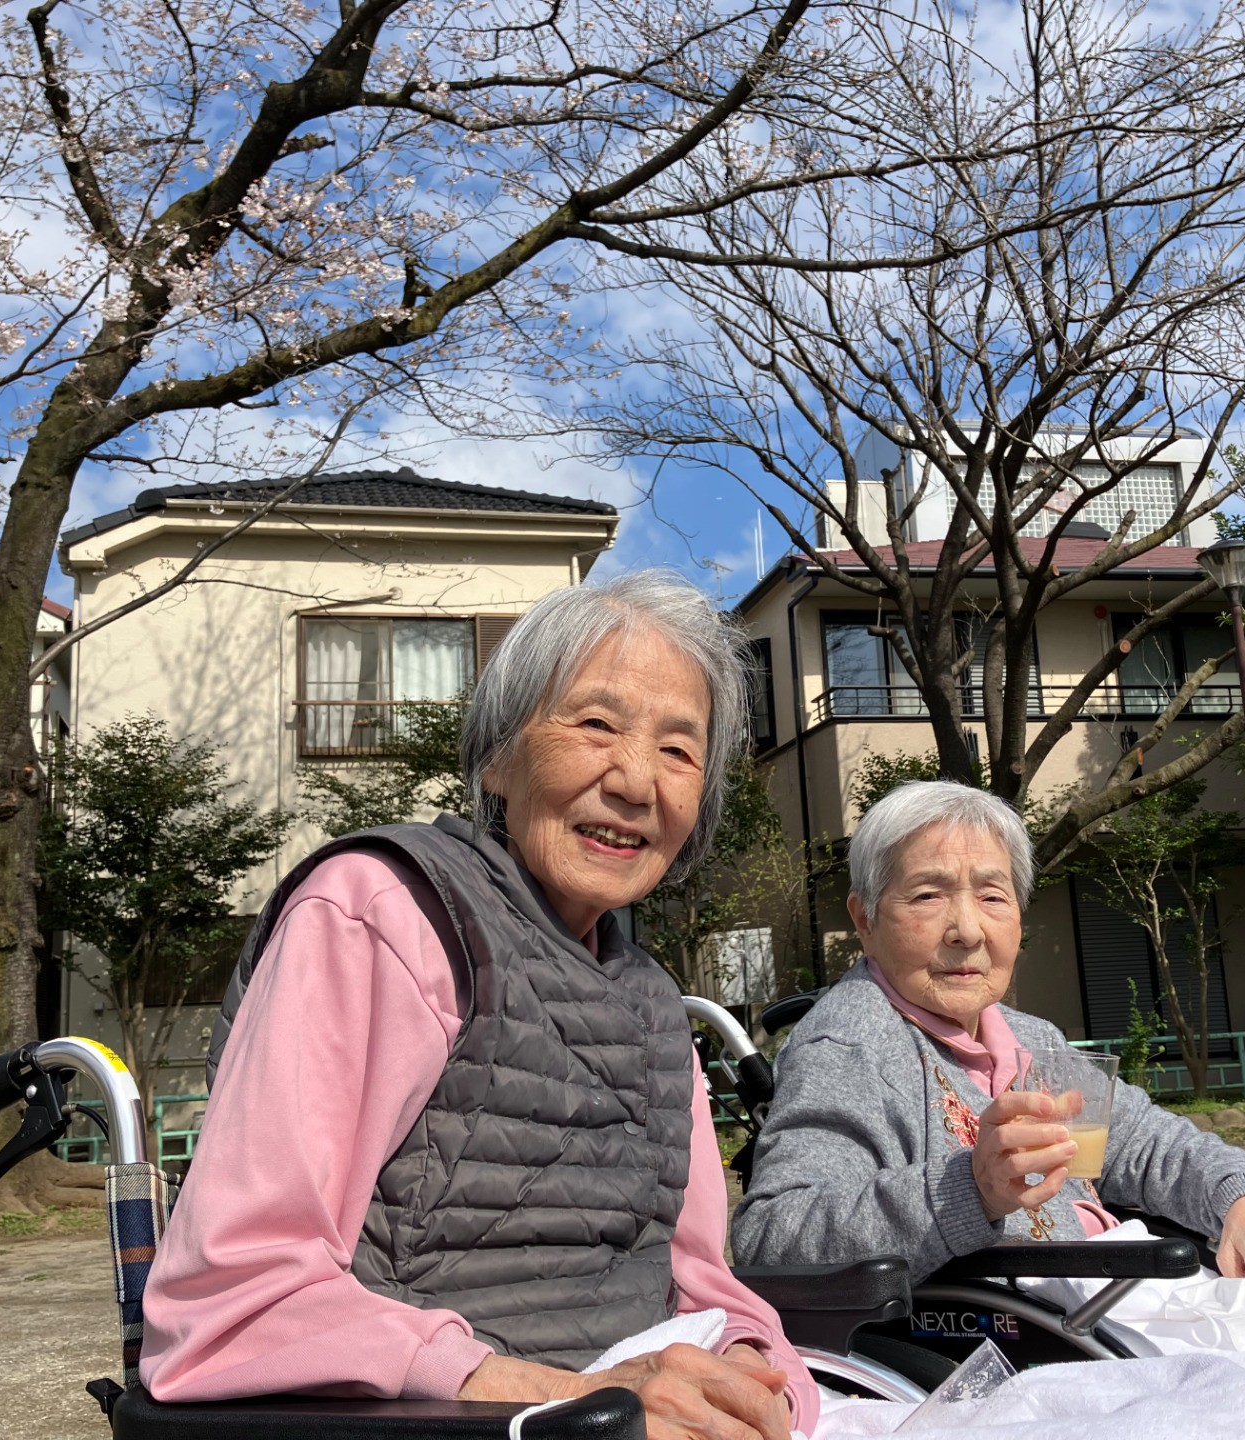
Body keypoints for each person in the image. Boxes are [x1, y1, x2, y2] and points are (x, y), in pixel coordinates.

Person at [140, 571, 815, 1440]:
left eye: (680, 752)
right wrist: (573, 1403)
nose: (638, 782)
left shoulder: (654, 1006)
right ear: (497, 758)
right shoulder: (383, 914)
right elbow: (231, 1300)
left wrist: (758, 1370)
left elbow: (700, 1280)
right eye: (597, 725)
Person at [729, 780, 1245, 1438]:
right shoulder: (852, 1045)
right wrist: (966, 1190)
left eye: (992, 896)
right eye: (928, 897)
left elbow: (1158, 1149)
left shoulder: (1027, 1038)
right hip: (1036, 1336)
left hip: (1143, 1307)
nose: (966, 930)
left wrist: (1244, 1200)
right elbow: (774, 1236)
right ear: (865, 920)